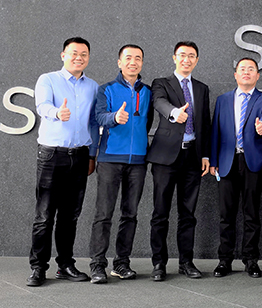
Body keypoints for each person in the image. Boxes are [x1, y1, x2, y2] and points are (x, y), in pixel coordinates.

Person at [27, 37, 99, 287]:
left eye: (84, 54)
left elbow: (93, 122)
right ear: (63, 55)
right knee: (44, 216)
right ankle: (38, 267)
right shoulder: (48, 79)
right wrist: (57, 113)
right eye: (74, 53)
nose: (79, 57)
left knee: (70, 216)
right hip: (51, 155)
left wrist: (92, 154)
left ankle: (65, 265)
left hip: (80, 155)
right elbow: (42, 106)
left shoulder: (92, 86)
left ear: (88, 57)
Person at [146, 41, 211, 281]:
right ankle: (158, 264)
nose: (187, 59)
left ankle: (186, 262)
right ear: (174, 57)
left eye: (192, 55)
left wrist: (205, 155)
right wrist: (175, 112)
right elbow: (159, 102)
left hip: (192, 157)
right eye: (182, 55)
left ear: (197, 60)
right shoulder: (161, 83)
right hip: (166, 157)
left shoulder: (202, 88)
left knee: (188, 214)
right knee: (160, 213)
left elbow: (205, 123)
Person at [89, 44, 153, 284]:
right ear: (119, 62)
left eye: (138, 58)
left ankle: (121, 263)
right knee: (103, 214)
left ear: (142, 63)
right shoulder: (106, 89)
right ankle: (97, 265)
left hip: (137, 161)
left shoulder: (148, 91)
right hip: (109, 159)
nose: (133, 62)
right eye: (128, 58)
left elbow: (147, 122)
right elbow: (98, 117)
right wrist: (115, 117)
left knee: (130, 214)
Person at [209, 58, 262, 278]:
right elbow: (215, 131)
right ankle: (224, 260)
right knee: (226, 215)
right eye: (242, 69)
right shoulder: (223, 100)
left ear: (257, 75)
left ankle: (251, 260)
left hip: (252, 161)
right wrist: (214, 161)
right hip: (226, 162)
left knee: (251, 214)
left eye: (251, 69)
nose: (246, 72)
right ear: (235, 75)